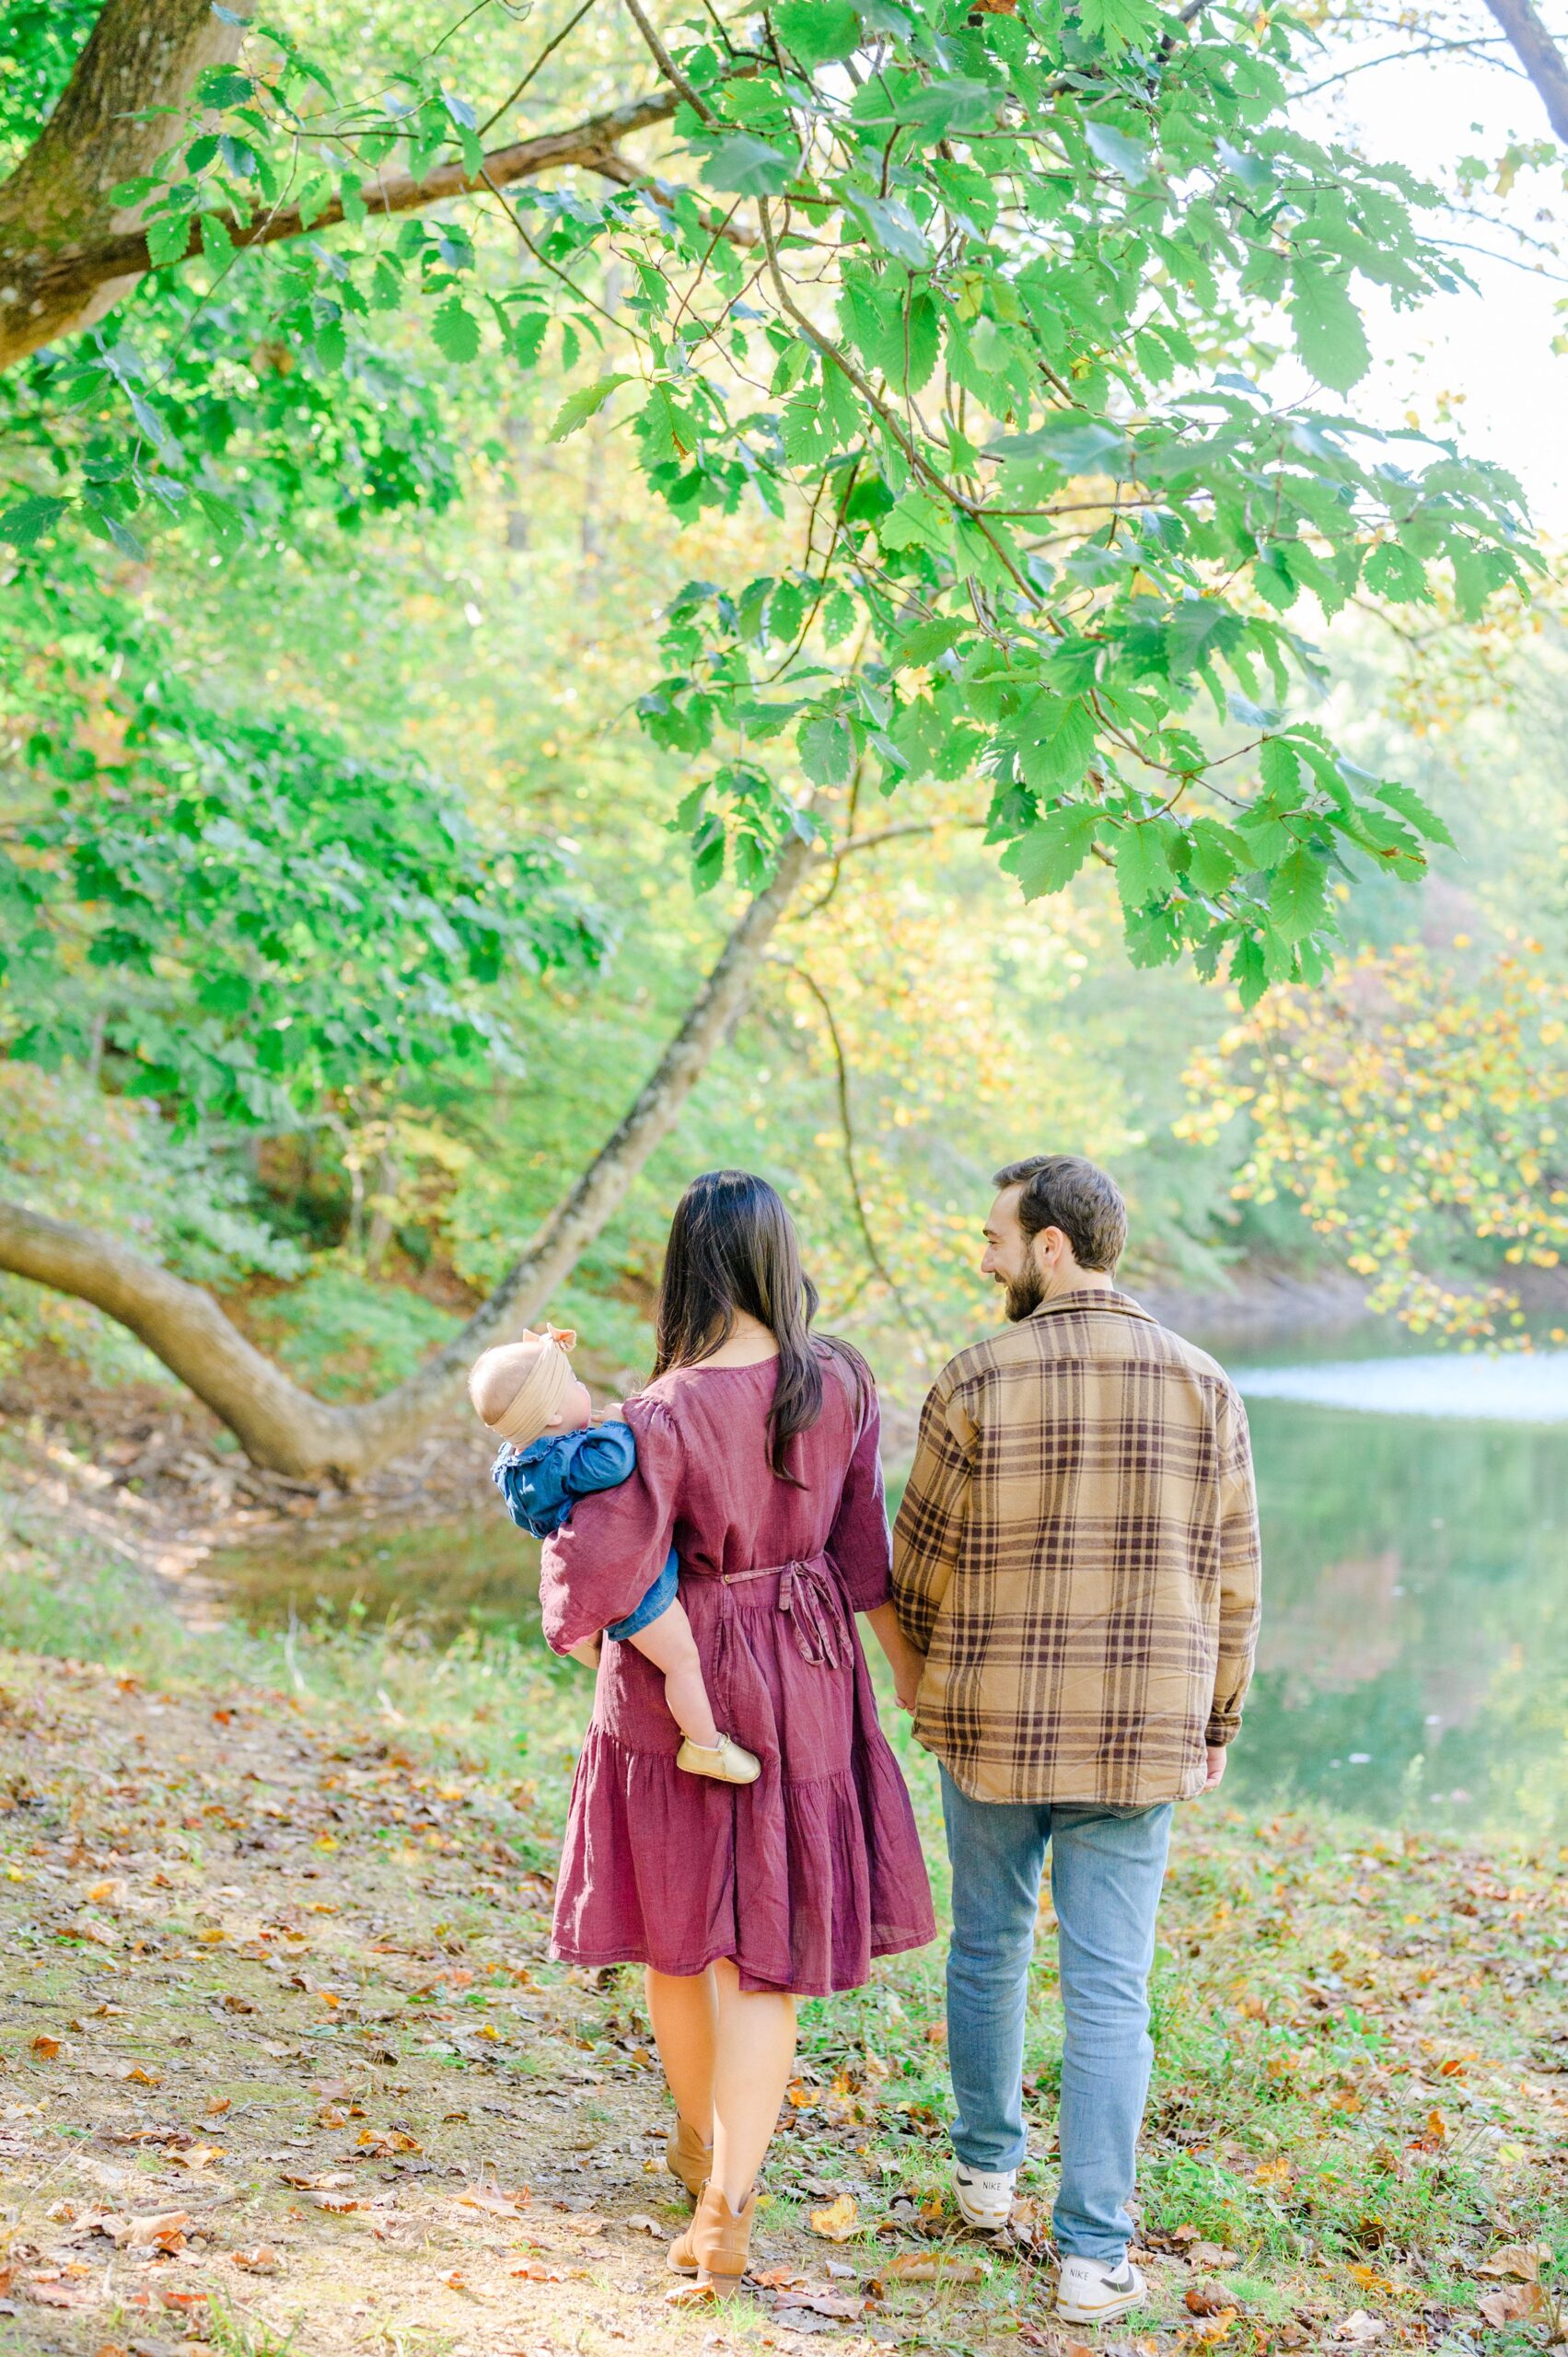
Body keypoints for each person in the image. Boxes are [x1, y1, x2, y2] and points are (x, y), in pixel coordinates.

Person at [537, 1169, 935, 2292]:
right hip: (806, 1664)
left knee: (680, 1932)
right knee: (765, 1955)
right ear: (775, 1257)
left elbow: (602, 1571)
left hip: (685, 1681)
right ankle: (725, 2203)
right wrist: (901, 1672)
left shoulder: (656, 1414)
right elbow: (863, 1551)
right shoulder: (841, 1381)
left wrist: (576, 1627)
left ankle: (704, 2147)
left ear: (686, 1268)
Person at [891, 1155, 1261, 2328]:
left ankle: (984, 2175)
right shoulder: (1204, 1384)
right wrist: (1217, 1719)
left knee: (989, 1947)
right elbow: (1234, 1578)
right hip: (1138, 1730)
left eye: (997, 1235)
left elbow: (913, 1569)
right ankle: (1092, 2256)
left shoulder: (973, 1378)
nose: (986, 1253)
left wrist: (931, 1683)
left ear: (1051, 1245)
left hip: (992, 1723)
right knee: (1109, 1984)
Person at [471, 1325, 760, 1784]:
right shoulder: (568, 1458)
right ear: (550, 1415)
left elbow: (529, 1520)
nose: (582, 1387)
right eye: (572, 1384)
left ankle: (599, 1648)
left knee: (609, 1639)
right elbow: (617, 1462)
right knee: (681, 1659)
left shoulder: (516, 1466)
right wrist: (622, 1423)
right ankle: (705, 1744)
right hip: (622, 1575)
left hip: (577, 1572)